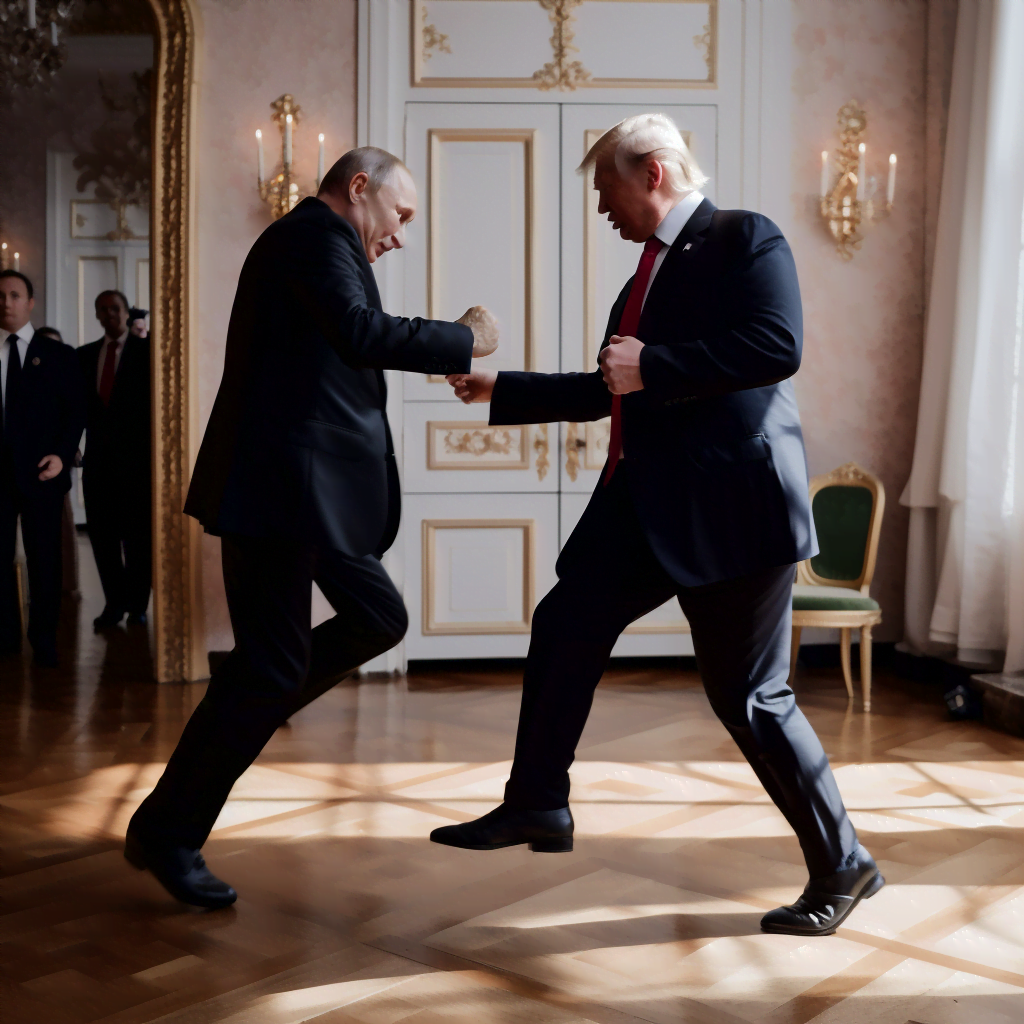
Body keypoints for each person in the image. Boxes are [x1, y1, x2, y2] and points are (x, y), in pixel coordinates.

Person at [433, 114, 883, 938]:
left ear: (653, 173)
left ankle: (843, 862)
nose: (601, 205)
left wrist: (655, 365)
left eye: (606, 186)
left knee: (750, 698)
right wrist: (504, 388)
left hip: (736, 511)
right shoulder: (641, 276)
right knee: (565, 621)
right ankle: (537, 802)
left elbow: (776, 345)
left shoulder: (746, 237)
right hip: (647, 505)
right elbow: (613, 386)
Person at [125, 146, 498, 909]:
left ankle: (252, 703)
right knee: (271, 668)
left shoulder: (319, 244)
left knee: (375, 619)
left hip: (305, 497)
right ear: (359, 187)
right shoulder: (312, 236)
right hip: (279, 494)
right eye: (400, 214)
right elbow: (360, 333)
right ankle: (169, 829)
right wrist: (461, 337)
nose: (401, 234)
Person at [0, 270, 86, 667]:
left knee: (45, 561)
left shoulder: (58, 356)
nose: (6, 302)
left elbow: (75, 413)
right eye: (0, 295)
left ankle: (45, 638)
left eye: (14, 295)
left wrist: (62, 454)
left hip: (42, 474)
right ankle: (5, 638)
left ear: (30, 303)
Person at [77, 291, 153, 630]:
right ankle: (113, 604)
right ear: (96, 314)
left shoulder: (148, 352)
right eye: (103, 309)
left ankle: (138, 606)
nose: (109, 314)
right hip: (97, 464)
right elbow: (75, 408)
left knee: (137, 540)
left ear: (126, 312)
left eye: (115, 308)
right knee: (102, 538)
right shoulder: (84, 356)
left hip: (138, 464)